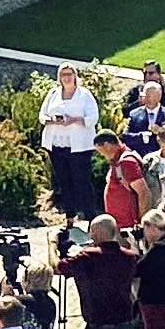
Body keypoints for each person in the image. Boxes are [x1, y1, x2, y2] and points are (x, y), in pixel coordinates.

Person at [38, 64, 103, 220]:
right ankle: (69, 215)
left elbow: (93, 118)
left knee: (82, 181)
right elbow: (42, 115)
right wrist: (52, 120)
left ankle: (90, 216)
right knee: (64, 181)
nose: (66, 78)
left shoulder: (84, 95)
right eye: (63, 74)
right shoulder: (53, 93)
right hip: (57, 145)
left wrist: (75, 120)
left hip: (79, 146)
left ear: (75, 76)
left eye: (69, 74)